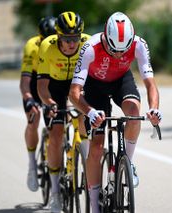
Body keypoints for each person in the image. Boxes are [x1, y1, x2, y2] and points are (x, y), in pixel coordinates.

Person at [69, 12, 162, 213]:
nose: (120, 55)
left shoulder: (139, 44)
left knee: (134, 113)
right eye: (114, 50)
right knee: (96, 147)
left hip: (121, 80)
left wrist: (154, 108)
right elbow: (74, 93)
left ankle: (127, 162)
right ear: (105, 38)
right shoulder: (90, 48)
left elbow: (150, 84)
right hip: (95, 86)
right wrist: (90, 111)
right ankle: (94, 206)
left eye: (124, 50)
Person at [37, 11, 90, 212]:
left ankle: (86, 162)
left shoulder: (86, 43)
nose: (71, 43)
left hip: (77, 83)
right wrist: (49, 103)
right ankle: (55, 195)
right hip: (55, 87)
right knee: (57, 134)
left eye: (75, 38)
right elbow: (41, 85)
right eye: (67, 38)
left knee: (86, 117)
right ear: (58, 36)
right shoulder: (47, 47)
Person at [19, 16, 56, 192]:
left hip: (53, 77)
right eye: (44, 40)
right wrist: (28, 98)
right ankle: (32, 165)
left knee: (56, 121)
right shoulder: (31, 46)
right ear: (39, 37)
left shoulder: (59, 45)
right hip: (35, 80)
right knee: (34, 119)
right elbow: (25, 80)